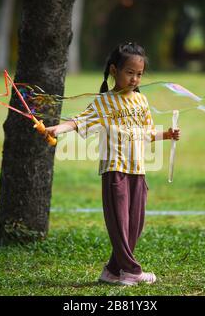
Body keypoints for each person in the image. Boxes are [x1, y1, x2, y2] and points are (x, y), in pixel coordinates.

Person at [45, 42, 180, 286]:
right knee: (119, 224)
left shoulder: (141, 101)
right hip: (115, 169)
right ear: (114, 70)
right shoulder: (103, 102)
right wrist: (58, 128)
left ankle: (111, 271)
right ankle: (131, 271)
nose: (135, 79)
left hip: (137, 169)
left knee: (134, 225)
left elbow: (147, 132)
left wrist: (166, 135)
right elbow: (78, 122)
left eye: (139, 74)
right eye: (130, 73)